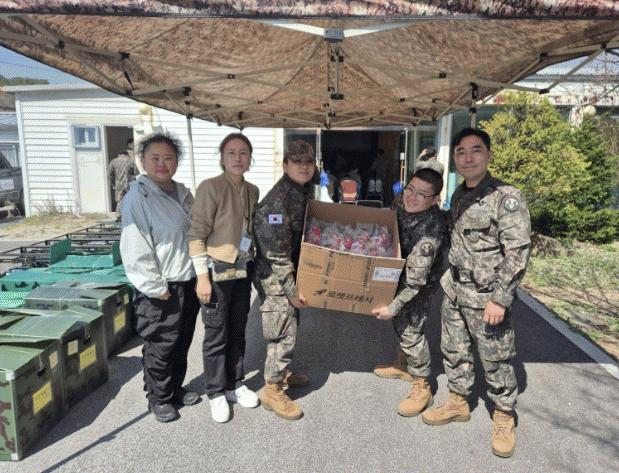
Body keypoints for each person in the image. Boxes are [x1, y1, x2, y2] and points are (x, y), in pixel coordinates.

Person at [421, 128, 531, 459]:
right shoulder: (459, 194)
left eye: (476, 150)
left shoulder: (506, 197)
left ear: (489, 155)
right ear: (454, 158)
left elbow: (517, 253)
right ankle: (458, 401)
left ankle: (504, 415)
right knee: (454, 351)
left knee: (496, 360)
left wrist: (500, 298)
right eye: (461, 152)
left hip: (487, 298)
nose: (468, 158)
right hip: (455, 291)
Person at [120, 133, 200, 423]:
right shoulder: (138, 197)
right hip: (161, 285)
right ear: (142, 161)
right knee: (161, 345)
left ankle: (175, 388)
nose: (162, 163)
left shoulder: (183, 193)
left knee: (181, 341)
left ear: (177, 161)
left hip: (188, 279)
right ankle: (159, 398)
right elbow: (135, 246)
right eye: (155, 158)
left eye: (168, 157)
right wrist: (155, 286)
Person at [187, 133, 260, 423]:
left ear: (250, 158)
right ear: (221, 157)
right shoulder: (211, 187)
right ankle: (216, 391)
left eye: (243, 153)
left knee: (238, 329)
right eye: (231, 152)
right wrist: (202, 277)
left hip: (242, 268)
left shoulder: (252, 190)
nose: (238, 158)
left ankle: (234, 384)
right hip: (216, 270)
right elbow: (196, 234)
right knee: (217, 333)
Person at [372, 163, 448, 417]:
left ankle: (422, 386)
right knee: (400, 324)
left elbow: (416, 281)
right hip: (398, 269)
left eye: (421, 194)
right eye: (410, 189)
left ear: (435, 199)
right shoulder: (401, 199)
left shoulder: (432, 230)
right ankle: (402, 365)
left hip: (420, 282)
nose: (411, 197)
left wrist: (392, 308)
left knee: (410, 329)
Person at [252, 140, 316, 421]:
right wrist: (291, 290)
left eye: (308, 161)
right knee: (282, 333)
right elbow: (276, 254)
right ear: (285, 165)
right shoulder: (277, 202)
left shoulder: (300, 192)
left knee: (290, 325)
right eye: (297, 161)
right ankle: (272, 389)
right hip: (276, 278)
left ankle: (283, 372)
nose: (304, 166)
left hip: (290, 272)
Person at [108, 138, 139, 218]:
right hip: (128, 184)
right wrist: (131, 176)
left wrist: (113, 184)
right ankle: (129, 215)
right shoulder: (130, 161)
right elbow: (136, 172)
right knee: (130, 199)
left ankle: (118, 215)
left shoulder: (113, 161)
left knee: (119, 201)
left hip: (118, 184)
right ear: (126, 154)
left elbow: (109, 175)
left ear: (119, 155)